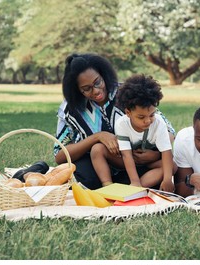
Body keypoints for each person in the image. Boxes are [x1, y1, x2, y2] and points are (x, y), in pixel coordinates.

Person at [54, 53, 175, 189]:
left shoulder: (129, 93)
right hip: (100, 166)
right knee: (85, 175)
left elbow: (168, 131)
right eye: (86, 89)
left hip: (139, 164)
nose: (96, 91)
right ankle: (112, 188)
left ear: (103, 74)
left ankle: (130, 187)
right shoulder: (71, 109)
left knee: (171, 167)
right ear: (76, 89)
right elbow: (60, 155)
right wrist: (96, 137)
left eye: (97, 82)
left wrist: (156, 154)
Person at [90, 74, 176, 192]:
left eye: (151, 115)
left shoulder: (158, 122)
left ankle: (135, 189)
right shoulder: (122, 124)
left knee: (172, 167)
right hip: (126, 161)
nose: (148, 121)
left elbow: (166, 152)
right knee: (97, 149)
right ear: (128, 113)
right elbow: (126, 155)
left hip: (149, 163)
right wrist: (134, 180)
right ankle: (109, 188)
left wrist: (167, 180)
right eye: (141, 117)